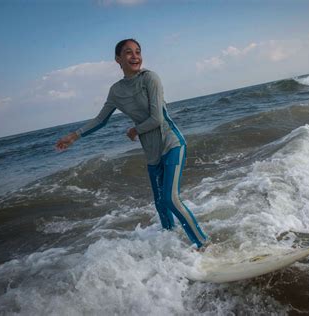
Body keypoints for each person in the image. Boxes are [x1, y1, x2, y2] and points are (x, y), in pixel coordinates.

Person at [55, 38, 209, 250]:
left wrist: (135, 129)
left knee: (171, 199)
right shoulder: (116, 91)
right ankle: (171, 248)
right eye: (128, 52)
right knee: (160, 204)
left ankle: (204, 245)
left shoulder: (150, 78)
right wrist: (74, 136)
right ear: (118, 59)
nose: (135, 56)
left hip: (171, 143)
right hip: (151, 153)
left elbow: (157, 118)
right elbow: (101, 120)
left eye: (137, 51)